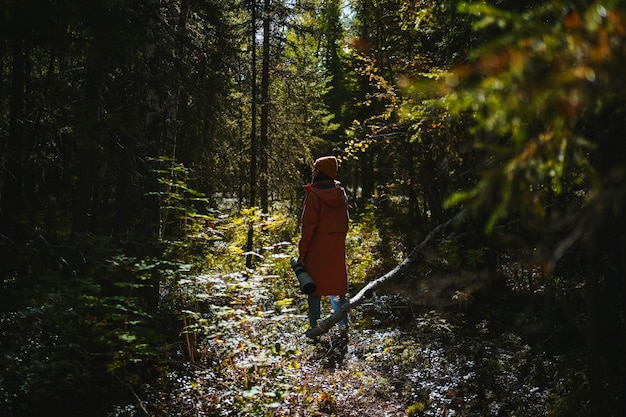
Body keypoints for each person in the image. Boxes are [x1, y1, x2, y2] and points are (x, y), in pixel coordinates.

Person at [298, 156, 350, 342]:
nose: (313, 173)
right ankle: (343, 330)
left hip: (316, 251)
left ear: (321, 172)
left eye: (315, 169)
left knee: (314, 291)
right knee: (337, 290)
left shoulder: (314, 195)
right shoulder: (340, 193)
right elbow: (345, 223)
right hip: (336, 249)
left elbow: (308, 226)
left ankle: (315, 332)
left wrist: (302, 254)